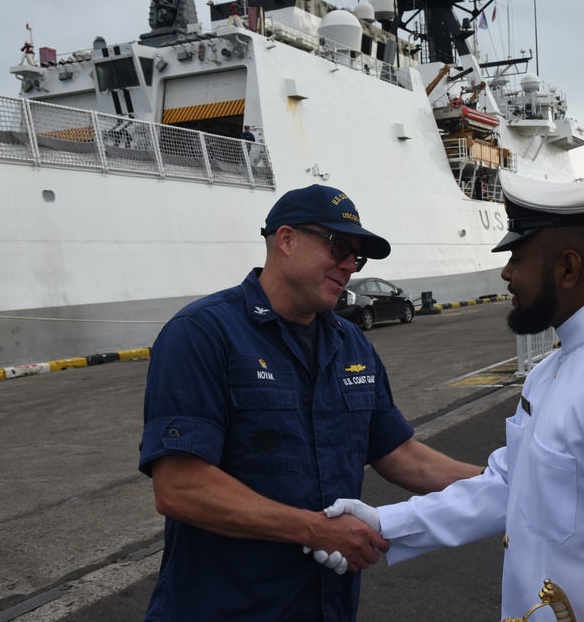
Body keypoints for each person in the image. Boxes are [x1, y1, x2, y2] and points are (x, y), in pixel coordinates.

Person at [328, 173, 584, 621]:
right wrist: (384, 525)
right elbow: (511, 486)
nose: (506, 273)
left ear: (568, 268)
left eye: (517, 257)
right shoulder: (553, 371)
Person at [139, 184, 482, 621]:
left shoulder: (350, 342)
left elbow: (398, 453)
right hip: (226, 606)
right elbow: (179, 487)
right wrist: (314, 530)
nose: (348, 266)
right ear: (286, 240)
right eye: (338, 247)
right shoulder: (202, 334)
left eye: (356, 257)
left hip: (325, 607)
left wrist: (505, 481)